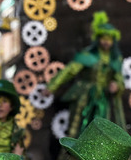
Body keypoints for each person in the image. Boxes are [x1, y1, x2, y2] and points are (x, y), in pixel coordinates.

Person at [45, 11, 125, 144]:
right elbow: (69, 71)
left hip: (103, 100)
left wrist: (117, 86)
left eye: (109, 39)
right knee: (79, 128)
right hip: (85, 97)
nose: (106, 42)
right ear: (98, 39)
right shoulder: (87, 55)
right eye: (103, 38)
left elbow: (119, 79)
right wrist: (52, 86)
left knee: (102, 131)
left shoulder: (115, 59)